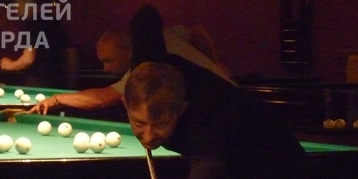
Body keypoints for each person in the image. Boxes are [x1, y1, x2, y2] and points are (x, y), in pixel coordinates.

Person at [123, 6, 305, 179]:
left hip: (274, 166)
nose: (148, 137)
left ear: (180, 111)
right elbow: (146, 18)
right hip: (229, 161)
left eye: (160, 125)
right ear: (126, 105)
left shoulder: (205, 110)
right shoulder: (144, 73)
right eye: (139, 123)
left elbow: (210, 160)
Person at [29, 26, 231, 115]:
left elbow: (102, 99)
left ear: (128, 52)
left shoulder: (142, 66)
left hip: (222, 106)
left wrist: (57, 99)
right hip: (224, 93)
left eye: (108, 61)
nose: (105, 68)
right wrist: (214, 64)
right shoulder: (162, 35)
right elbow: (197, 32)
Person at [0, 0, 71, 89]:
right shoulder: (54, 21)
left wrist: (9, 65)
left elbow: (28, 59)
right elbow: (70, 54)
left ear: (29, 2)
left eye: (17, 3)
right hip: (59, 82)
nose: (15, 8)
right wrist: (70, 81)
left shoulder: (31, 24)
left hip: (38, 83)